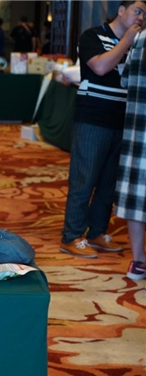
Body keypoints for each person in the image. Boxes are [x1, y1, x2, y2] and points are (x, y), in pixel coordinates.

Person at [59, 1, 144, 258]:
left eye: (145, 14)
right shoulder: (93, 36)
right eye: (138, 11)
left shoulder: (138, 43)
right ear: (121, 10)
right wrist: (126, 41)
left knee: (109, 183)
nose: (141, 17)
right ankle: (71, 236)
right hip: (92, 119)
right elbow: (100, 67)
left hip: (123, 122)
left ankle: (97, 232)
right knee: (84, 180)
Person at [116, 28, 146, 280]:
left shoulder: (138, 39)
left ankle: (138, 261)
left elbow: (125, 80)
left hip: (138, 130)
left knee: (136, 195)